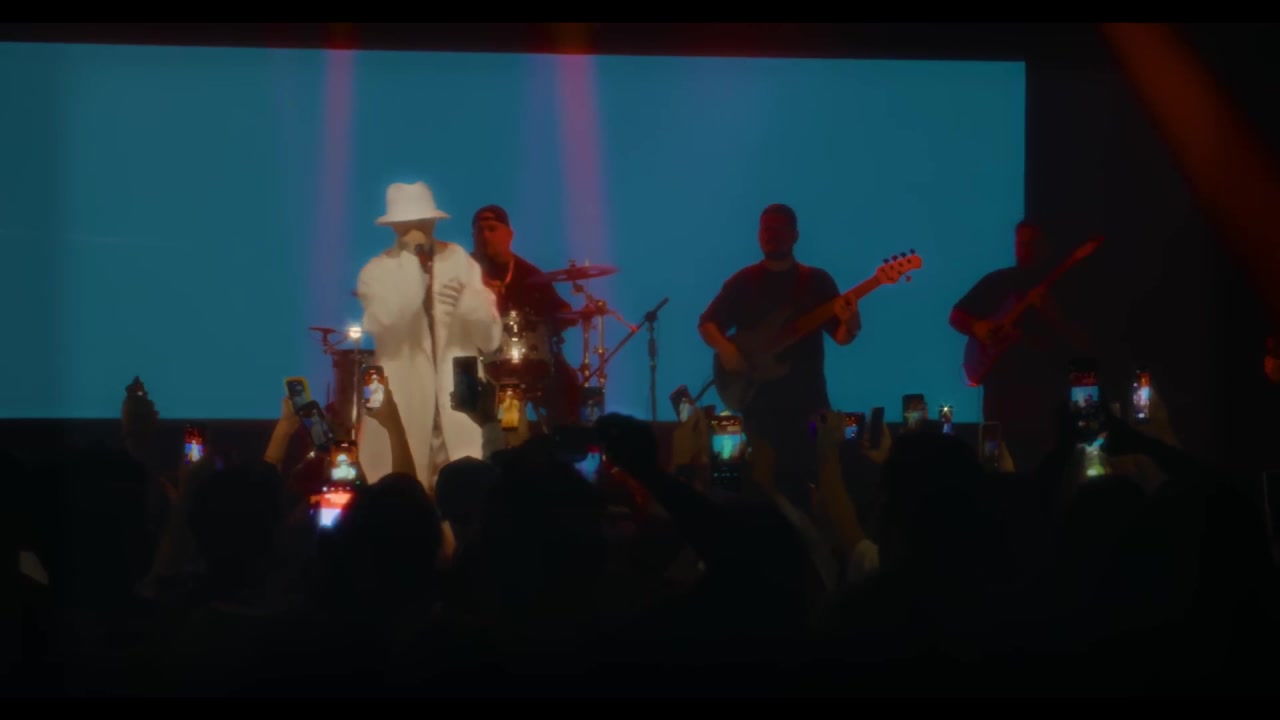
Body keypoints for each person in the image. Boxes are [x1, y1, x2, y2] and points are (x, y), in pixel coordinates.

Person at [698, 203, 861, 513]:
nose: (770, 235)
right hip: (758, 409)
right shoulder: (744, 282)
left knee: (812, 492)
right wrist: (726, 349)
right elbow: (707, 324)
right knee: (761, 494)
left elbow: (842, 336)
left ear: (795, 236)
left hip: (809, 406)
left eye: (778, 229)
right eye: (765, 229)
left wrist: (852, 321)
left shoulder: (816, 281)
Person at [355, 182, 503, 493]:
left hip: (459, 400)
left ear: (434, 222)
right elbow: (388, 320)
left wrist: (472, 305)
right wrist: (412, 264)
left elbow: (489, 338)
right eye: (408, 223)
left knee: (465, 492)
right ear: (394, 227)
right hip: (403, 400)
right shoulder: (377, 271)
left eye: (423, 221)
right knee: (400, 493)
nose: (417, 229)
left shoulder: (458, 260)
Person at [949, 220, 1090, 472]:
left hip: (1049, 398)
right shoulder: (999, 281)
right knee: (998, 467)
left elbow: (1087, 347)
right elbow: (957, 316)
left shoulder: (1068, 288)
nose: (1024, 250)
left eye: (1032, 244)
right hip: (1001, 398)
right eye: (1020, 243)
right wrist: (979, 327)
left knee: (1049, 470)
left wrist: (1053, 315)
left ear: (1047, 246)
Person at [470, 204, 582, 426]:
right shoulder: (464, 270)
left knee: (567, 384)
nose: (485, 236)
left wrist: (568, 315)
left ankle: (563, 440)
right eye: (479, 231)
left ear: (509, 235)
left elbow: (559, 309)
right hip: (476, 357)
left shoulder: (529, 274)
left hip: (527, 358)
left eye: (492, 229)